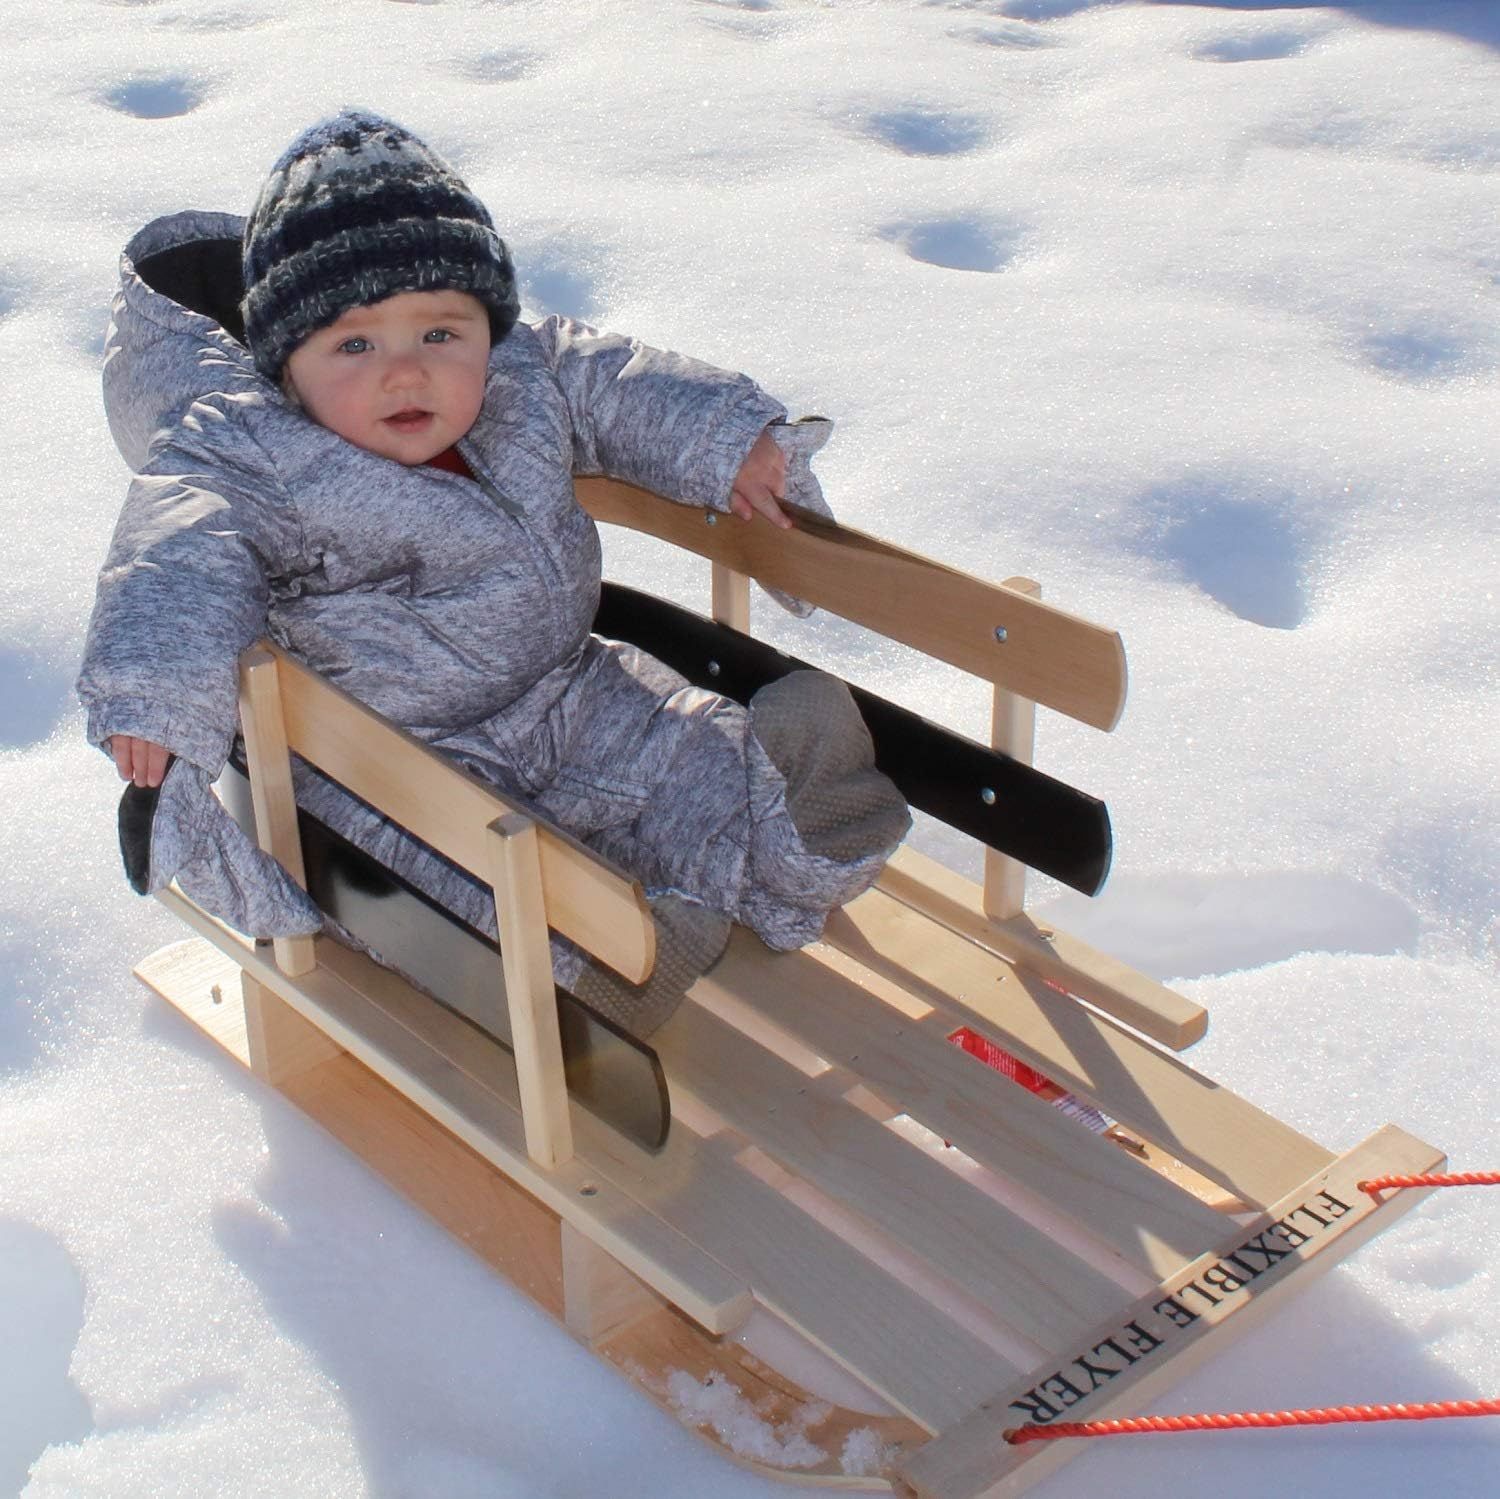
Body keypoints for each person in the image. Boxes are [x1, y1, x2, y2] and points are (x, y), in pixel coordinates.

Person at [77, 109, 909, 1034]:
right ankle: (585, 974)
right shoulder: (246, 455)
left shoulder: (520, 376)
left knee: (684, 757)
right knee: (449, 872)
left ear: (486, 325)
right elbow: (176, 558)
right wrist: (153, 705)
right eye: (355, 345)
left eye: (441, 333)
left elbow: (615, 380)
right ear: (287, 367)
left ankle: (788, 835)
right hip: (387, 761)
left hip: (564, 689)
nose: (407, 374)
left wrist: (728, 437)